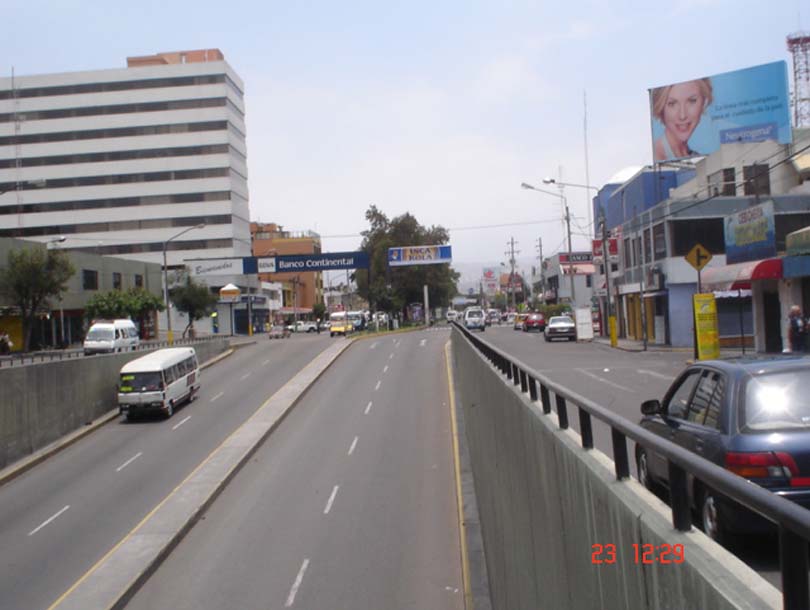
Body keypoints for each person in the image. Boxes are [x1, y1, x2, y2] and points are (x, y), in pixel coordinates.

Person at [651, 77, 713, 161]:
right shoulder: (658, 158)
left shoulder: (695, 156)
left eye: (691, 101)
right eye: (672, 104)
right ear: (661, 108)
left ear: (704, 103)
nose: (682, 115)